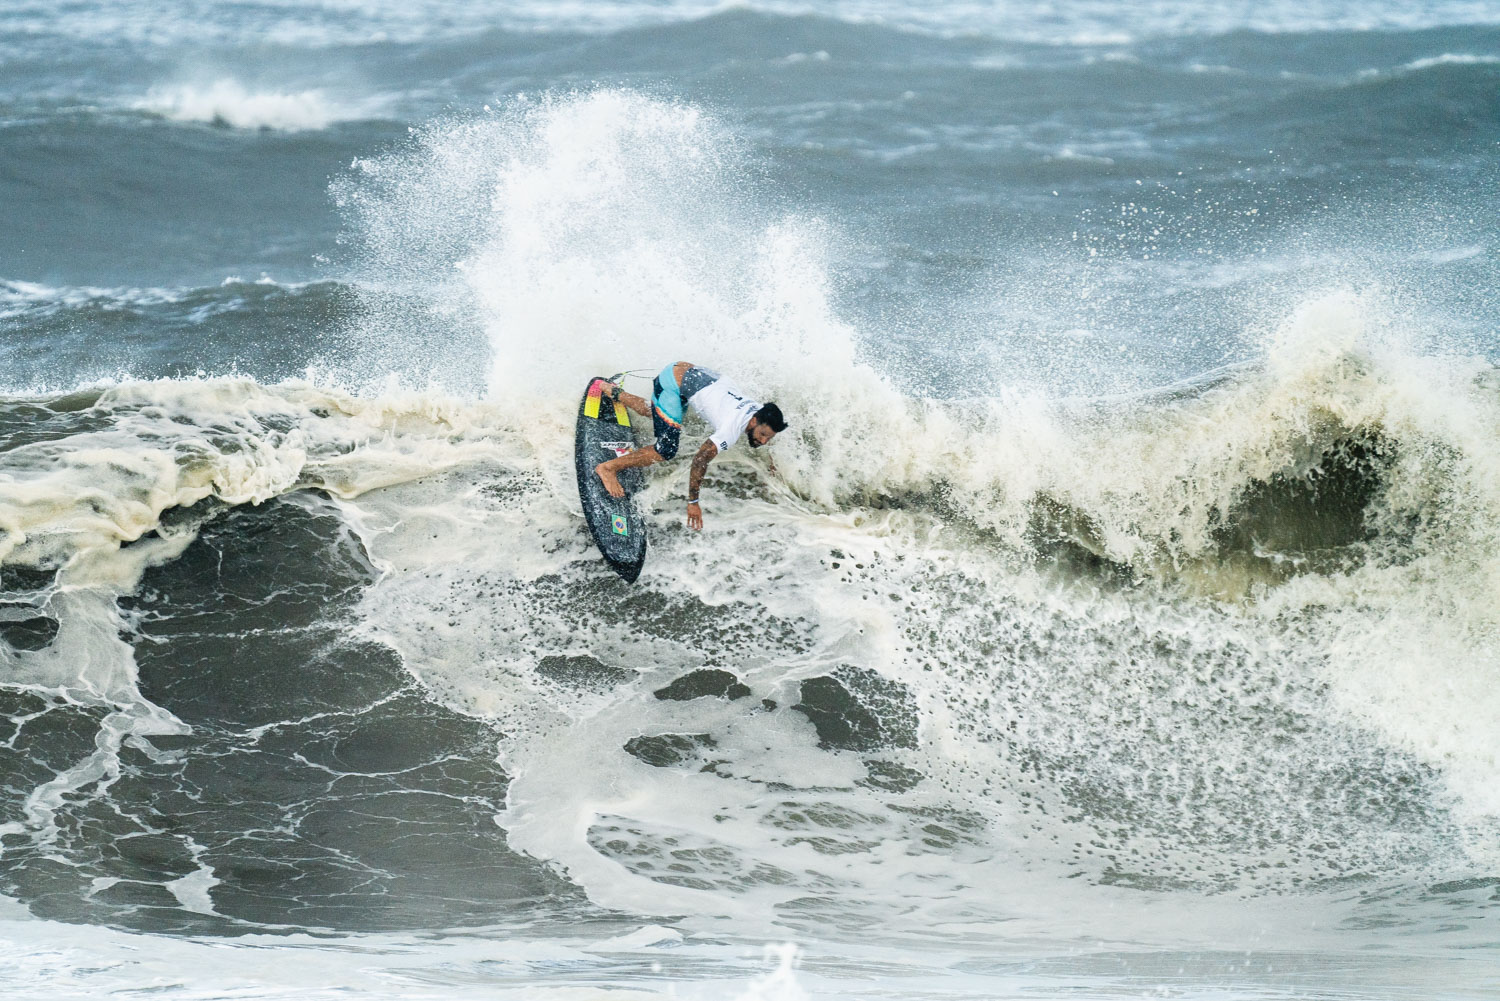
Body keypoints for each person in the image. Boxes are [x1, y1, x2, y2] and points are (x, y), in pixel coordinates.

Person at [596, 362, 787, 531]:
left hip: (693, 374)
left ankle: (613, 392)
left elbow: (770, 431)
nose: (763, 441)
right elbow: (701, 458)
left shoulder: (761, 411)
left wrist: (773, 464)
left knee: (656, 412)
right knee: (665, 450)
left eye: (767, 438)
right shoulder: (731, 428)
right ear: (754, 421)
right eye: (762, 435)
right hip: (674, 381)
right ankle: (608, 468)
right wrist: (693, 502)